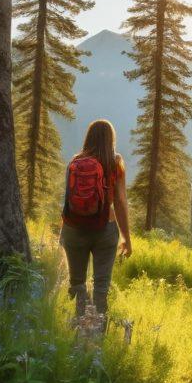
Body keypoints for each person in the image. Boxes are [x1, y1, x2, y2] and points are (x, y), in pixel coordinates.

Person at [60, 120, 132, 322]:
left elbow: (68, 198)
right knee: (101, 285)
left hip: (73, 228)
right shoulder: (115, 162)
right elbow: (120, 201)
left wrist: (63, 232)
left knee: (77, 283)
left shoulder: (75, 162)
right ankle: (98, 332)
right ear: (111, 139)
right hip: (105, 229)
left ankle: (79, 327)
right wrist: (126, 238)